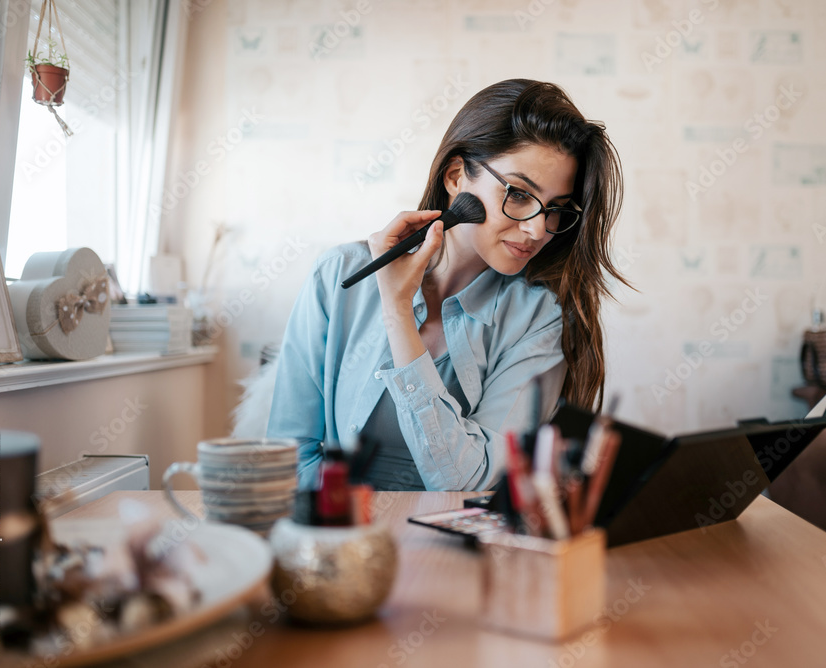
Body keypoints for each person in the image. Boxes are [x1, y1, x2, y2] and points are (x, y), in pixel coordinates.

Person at [267, 79, 629, 491]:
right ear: (457, 176)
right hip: (339, 537)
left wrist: (398, 315)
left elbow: (474, 482)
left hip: (453, 544)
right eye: (519, 194)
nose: (535, 229)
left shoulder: (536, 318)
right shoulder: (338, 276)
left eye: (555, 210)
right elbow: (289, 455)